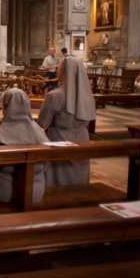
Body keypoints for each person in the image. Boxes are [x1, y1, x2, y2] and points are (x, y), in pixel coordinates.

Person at [37, 57, 96, 186]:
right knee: (78, 175)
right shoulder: (88, 96)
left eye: (59, 68)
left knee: (59, 176)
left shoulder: (54, 95)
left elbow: (43, 123)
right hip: (82, 138)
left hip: (60, 139)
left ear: (63, 72)